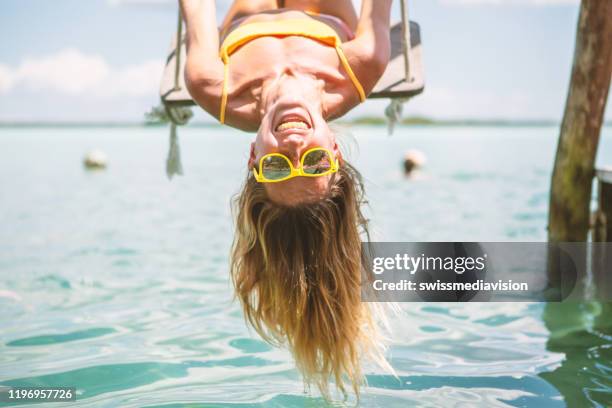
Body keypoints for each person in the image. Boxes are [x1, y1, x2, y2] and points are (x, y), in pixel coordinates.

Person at [179, 0, 394, 398]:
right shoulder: (360, 68)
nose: (294, 147)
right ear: (335, 150)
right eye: (314, 162)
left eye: (277, 167)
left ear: (253, 157)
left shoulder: (210, 85)